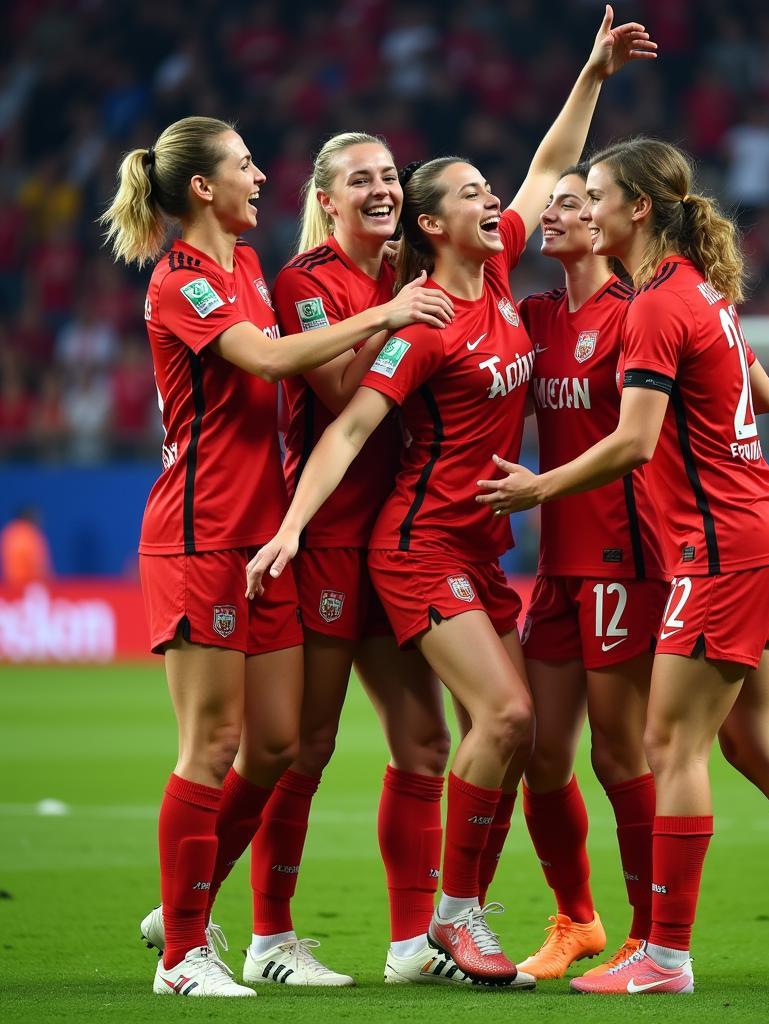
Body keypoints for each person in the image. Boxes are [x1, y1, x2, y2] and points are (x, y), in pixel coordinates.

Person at [246, 7, 658, 987]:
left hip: (477, 551)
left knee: (488, 740)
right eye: (471, 194)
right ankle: (451, 915)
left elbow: (550, 156)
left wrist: (593, 74)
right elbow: (347, 426)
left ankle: (438, 922)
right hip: (416, 544)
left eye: (491, 192)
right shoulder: (424, 318)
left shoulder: (504, 271)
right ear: (434, 225)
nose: (498, 201)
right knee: (506, 718)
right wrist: (291, 529)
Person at [476, 136, 769, 996]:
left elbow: (634, 442)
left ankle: (664, 956)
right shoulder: (701, 293)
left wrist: (539, 488)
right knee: (754, 742)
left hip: (720, 551)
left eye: (594, 194)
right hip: (760, 533)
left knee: (668, 747)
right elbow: (750, 408)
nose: (582, 205)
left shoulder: (649, 308)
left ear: (637, 209)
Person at [100, 115, 454, 997]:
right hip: (200, 532)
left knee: (278, 744)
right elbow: (264, 360)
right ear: (202, 190)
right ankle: (184, 956)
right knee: (212, 743)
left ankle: (188, 906)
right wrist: (386, 310)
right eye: (246, 166)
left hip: (265, 534)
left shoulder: (248, 267)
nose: (262, 177)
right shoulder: (183, 281)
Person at [250, 130, 467, 988]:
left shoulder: (418, 266)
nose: (379, 190)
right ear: (329, 201)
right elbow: (343, 393)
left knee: (423, 742)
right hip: (332, 534)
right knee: (308, 744)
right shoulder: (307, 280)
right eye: (360, 181)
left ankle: (413, 944)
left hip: (407, 538)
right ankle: (269, 939)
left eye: (389, 177)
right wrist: (399, 315)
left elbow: (517, 204)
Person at [511, 163, 668, 980]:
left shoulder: (635, 312)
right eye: (553, 205)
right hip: (557, 567)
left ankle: (653, 933)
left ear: (606, 221)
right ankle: (577, 918)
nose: (556, 214)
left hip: (623, 558)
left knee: (619, 756)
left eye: (574, 203)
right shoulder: (533, 317)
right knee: (541, 752)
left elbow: (728, 393)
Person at [0, 506, 52, 585]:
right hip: (30, 584)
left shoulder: (9, 532)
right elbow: (37, 564)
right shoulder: (29, 533)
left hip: (11, 584)